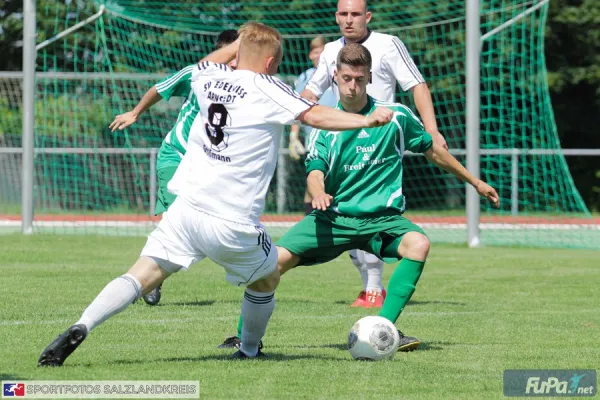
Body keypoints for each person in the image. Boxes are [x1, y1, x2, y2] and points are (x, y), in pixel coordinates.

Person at [37, 22, 394, 365]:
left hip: (185, 210)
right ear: (270, 63)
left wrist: (239, 45)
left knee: (140, 274)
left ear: (238, 51)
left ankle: (83, 323)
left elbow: (210, 60)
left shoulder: (208, 78)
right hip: (231, 222)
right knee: (267, 278)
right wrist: (364, 120)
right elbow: (315, 116)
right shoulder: (269, 87)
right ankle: (250, 350)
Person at [282, 43, 499, 350]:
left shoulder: (396, 116)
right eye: (346, 78)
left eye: (359, 78)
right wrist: (318, 193)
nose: (353, 85)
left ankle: (382, 328)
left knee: (418, 243)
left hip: (382, 221)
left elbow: (433, 151)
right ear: (335, 77)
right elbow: (314, 171)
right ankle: (244, 338)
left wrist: (475, 182)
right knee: (272, 263)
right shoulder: (325, 125)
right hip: (335, 218)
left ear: (369, 77)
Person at [301, 0, 448, 309]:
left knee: (371, 214)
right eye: (344, 14)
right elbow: (310, 93)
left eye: (356, 14)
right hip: (341, 142)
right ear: (336, 17)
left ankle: (373, 288)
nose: (349, 20)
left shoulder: (388, 44)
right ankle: (371, 284)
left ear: (367, 16)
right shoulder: (330, 51)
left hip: (381, 142)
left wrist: (431, 130)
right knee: (345, 213)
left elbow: (416, 85)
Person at [109, 30, 240, 306]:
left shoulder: (245, 84)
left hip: (207, 166)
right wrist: (135, 112)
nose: (234, 63)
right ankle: (141, 281)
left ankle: (148, 279)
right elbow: (160, 88)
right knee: (173, 221)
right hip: (175, 156)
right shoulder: (196, 73)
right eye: (230, 57)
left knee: (205, 223)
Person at [288, 36, 337, 215]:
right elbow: (297, 105)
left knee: (330, 179)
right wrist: (293, 136)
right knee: (315, 176)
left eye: (319, 52)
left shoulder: (338, 73)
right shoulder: (306, 77)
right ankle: (309, 219)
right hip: (314, 137)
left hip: (337, 134)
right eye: (314, 52)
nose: (315, 56)